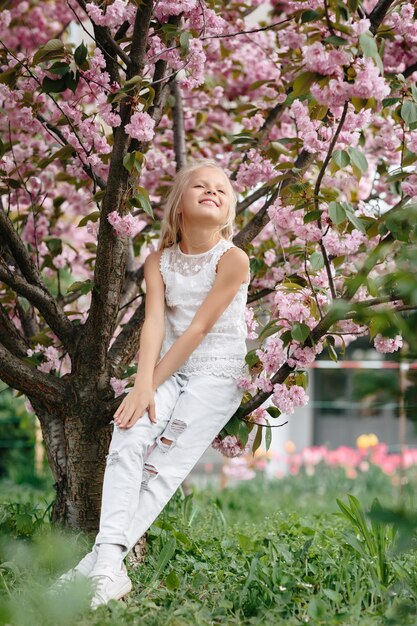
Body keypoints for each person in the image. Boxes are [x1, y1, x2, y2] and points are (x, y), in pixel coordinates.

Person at [50, 158, 250, 609]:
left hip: (215, 373)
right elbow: (154, 323)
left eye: (221, 189)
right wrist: (144, 385)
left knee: (162, 465)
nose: (212, 192)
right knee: (128, 433)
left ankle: (97, 567)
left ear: (230, 210)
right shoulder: (158, 261)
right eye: (200, 186)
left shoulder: (233, 259)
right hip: (168, 370)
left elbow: (198, 329)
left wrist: (147, 385)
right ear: (179, 205)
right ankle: (107, 568)